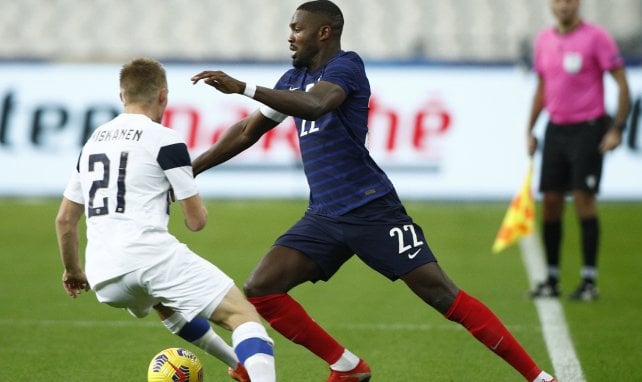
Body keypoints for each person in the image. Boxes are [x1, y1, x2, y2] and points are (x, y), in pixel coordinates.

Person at [189, 1, 556, 381]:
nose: (290, 36)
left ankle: (539, 378)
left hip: (371, 210)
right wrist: (191, 170)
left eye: (297, 28)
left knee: (442, 295)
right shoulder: (291, 79)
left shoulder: (346, 67)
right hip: (325, 216)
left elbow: (316, 106)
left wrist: (245, 87)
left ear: (324, 32)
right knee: (262, 288)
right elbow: (248, 132)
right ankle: (346, 366)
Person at [54, 57, 276, 382]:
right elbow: (196, 221)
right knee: (244, 317)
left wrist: (74, 271)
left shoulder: (93, 142)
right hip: (148, 256)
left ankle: (237, 365)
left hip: (104, 275)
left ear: (121, 96)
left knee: (163, 302)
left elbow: (64, 220)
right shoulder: (164, 139)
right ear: (163, 95)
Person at [526, 0, 631, 301]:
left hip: (588, 128)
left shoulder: (596, 38)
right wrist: (530, 129)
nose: (564, 6)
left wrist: (616, 128)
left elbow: (622, 84)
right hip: (556, 128)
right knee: (551, 201)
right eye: (558, 0)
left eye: (569, 0)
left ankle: (588, 279)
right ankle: (552, 277)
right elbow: (542, 88)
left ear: (579, 3)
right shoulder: (544, 40)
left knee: (584, 200)